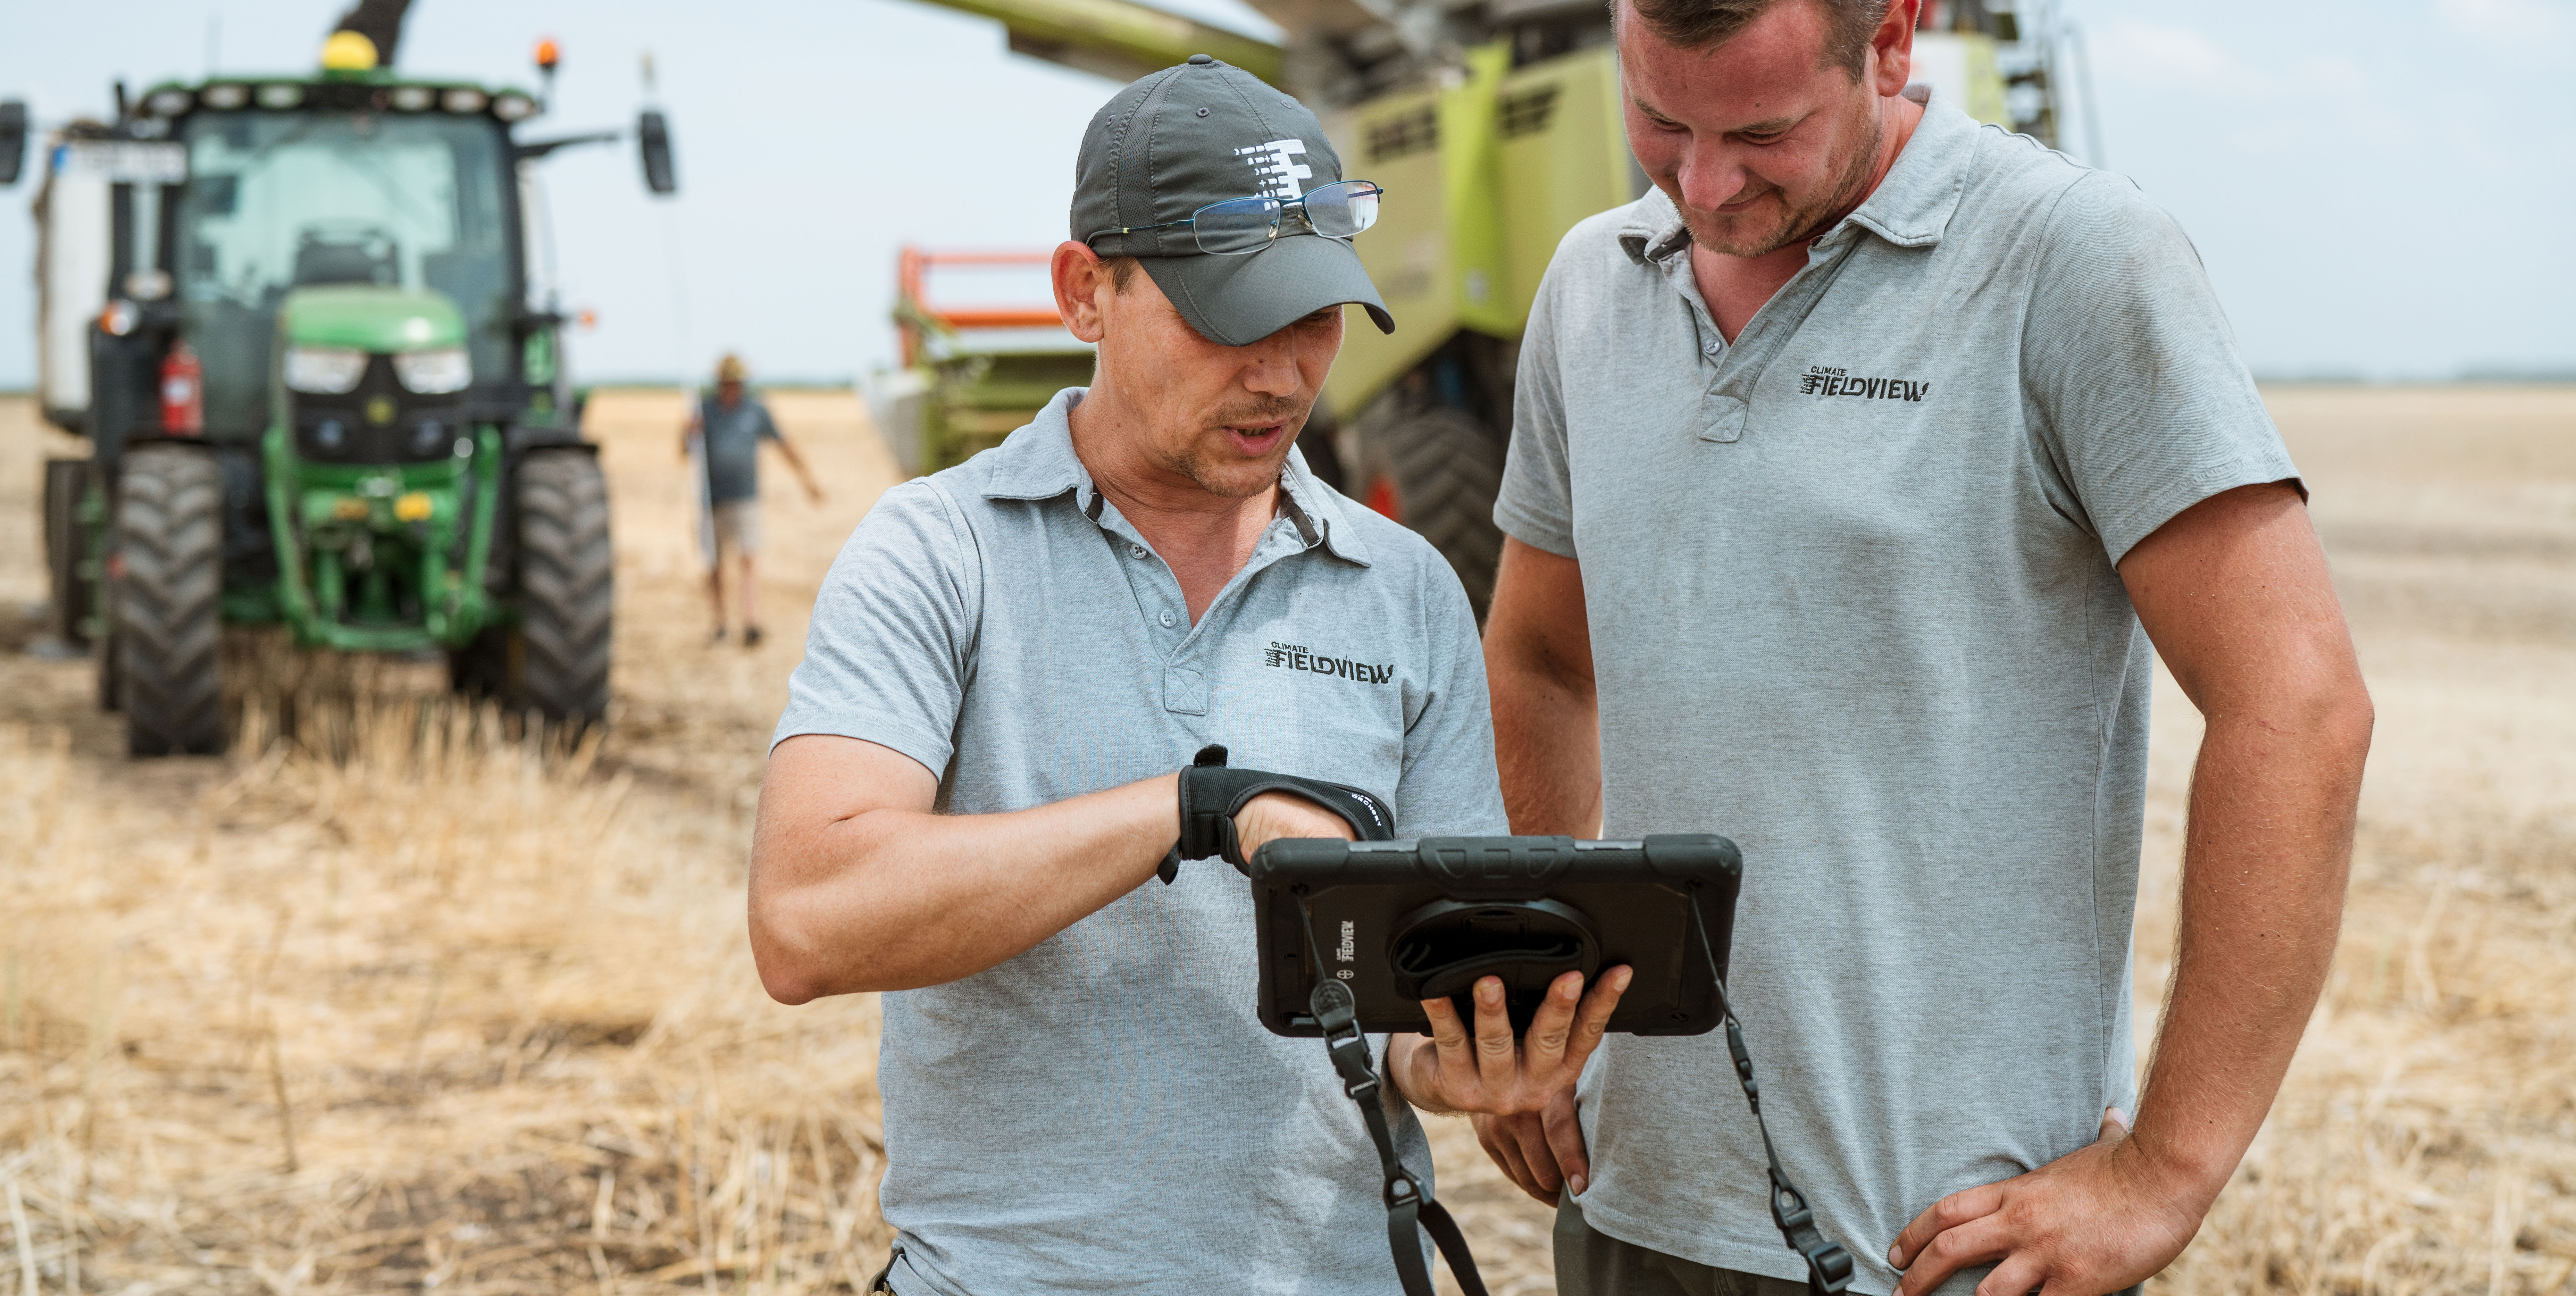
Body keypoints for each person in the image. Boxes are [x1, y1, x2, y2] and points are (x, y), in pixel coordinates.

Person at [1472, 2, 2376, 1295]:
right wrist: (1529, 988)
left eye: (1761, 131)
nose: (1703, 184)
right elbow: (1543, 663)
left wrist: (2167, 1169)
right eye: (1659, 119)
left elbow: (2298, 703)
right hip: (1633, 1209)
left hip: (1946, 1243)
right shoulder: (1587, 284)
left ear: (1890, 37)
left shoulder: (2068, 259)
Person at [748, 56, 1611, 1296]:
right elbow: (806, 921)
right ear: (1083, 291)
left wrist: (1449, 1063)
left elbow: (1408, 989)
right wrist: (1192, 808)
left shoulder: (1405, 588)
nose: (1281, 375)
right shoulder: (940, 552)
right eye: (1228, 321)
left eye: (1313, 318)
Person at [684, 353, 823, 646]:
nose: (732, 387)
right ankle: (719, 623)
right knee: (714, 563)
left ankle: (751, 622)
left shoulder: (756, 410)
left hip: (745, 498)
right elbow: (685, 452)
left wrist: (807, 480)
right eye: (727, 382)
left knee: (748, 558)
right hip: (711, 500)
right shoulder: (704, 411)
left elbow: (784, 444)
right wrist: (689, 432)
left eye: (736, 382)